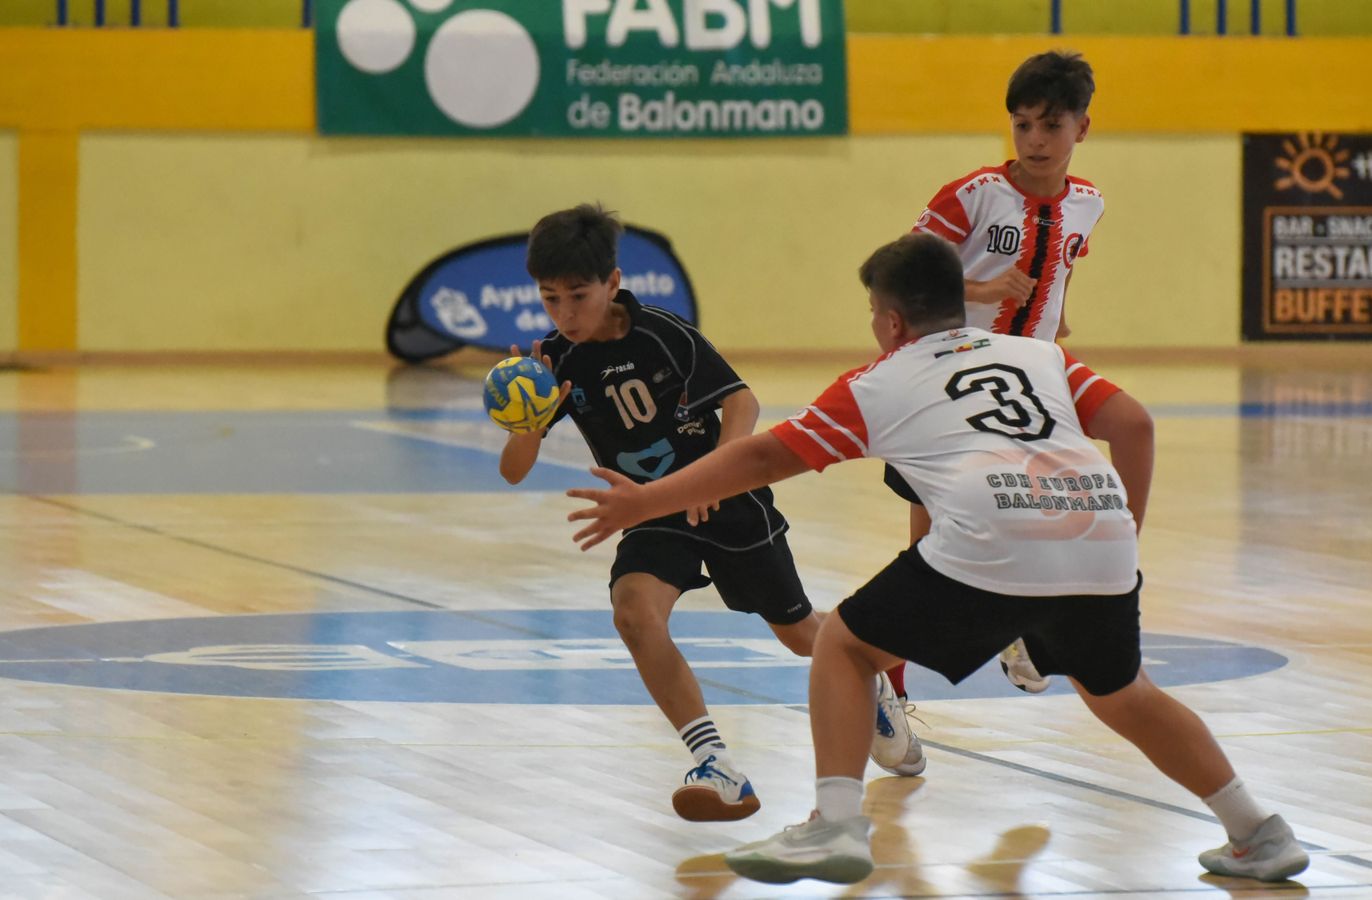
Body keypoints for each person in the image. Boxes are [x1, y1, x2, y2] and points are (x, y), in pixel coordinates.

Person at [567, 233, 1309, 885]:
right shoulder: (1041, 354)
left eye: (872, 316)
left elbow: (762, 455)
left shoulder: (880, 379)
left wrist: (645, 501)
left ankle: (834, 825)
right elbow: (1134, 424)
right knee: (1123, 694)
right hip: (1100, 529)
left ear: (890, 319)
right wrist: (1122, 540)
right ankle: (1258, 831)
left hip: (996, 533)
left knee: (844, 645)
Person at [500, 203, 902, 821]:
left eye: (577, 296)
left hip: (727, 501)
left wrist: (719, 470)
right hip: (649, 511)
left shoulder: (663, 333)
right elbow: (513, 469)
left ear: (612, 283)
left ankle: (869, 673)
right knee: (633, 613)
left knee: (799, 635)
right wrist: (530, 417)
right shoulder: (557, 360)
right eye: (549, 299)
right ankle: (715, 763)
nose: (564, 314)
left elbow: (742, 401)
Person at [876, 50, 1154, 728]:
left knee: (1135, 426)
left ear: (1081, 129)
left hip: (1042, 366)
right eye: (1022, 125)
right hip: (952, 372)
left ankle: (1106, 583)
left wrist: (1059, 320)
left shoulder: (1089, 203)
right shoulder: (971, 195)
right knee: (930, 548)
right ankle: (891, 691)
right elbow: (898, 277)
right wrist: (979, 289)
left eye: (1049, 126)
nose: (1033, 140)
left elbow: (1059, 272)